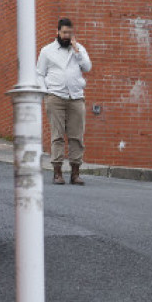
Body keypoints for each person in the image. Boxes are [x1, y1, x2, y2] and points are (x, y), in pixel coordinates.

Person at [36, 18, 93, 185]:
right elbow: (39, 73)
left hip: (76, 97)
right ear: (58, 32)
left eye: (70, 33)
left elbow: (87, 67)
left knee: (77, 136)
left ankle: (75, 173)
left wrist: (77, 51)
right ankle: (57, 172)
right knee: (57, 136)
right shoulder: (47, 51)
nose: (67, 36)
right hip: (55, 97)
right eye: (64, 32)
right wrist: (45, 92)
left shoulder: (78, 49)